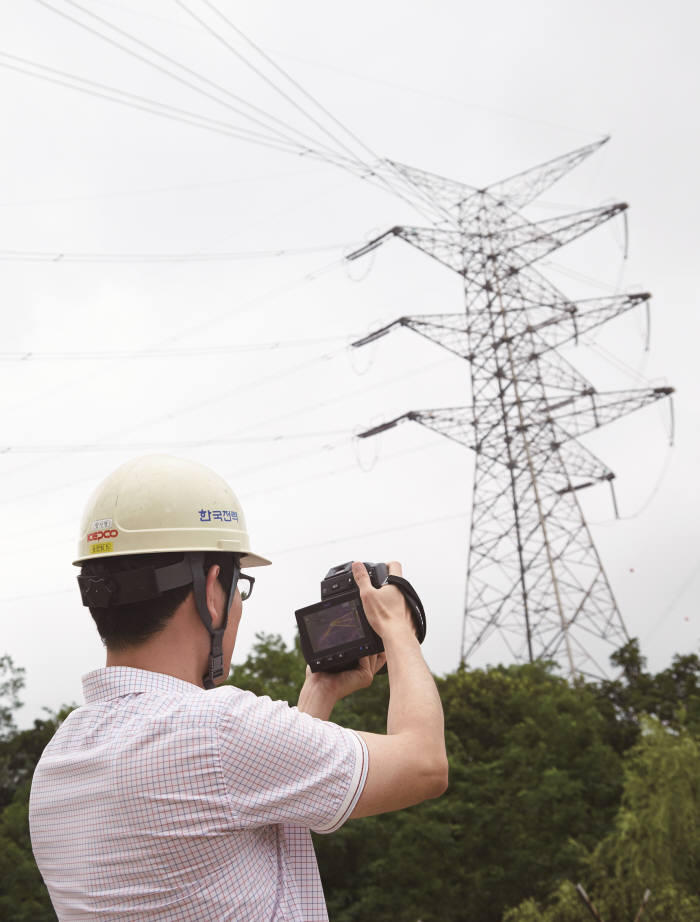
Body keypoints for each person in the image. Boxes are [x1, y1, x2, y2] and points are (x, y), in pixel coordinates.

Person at [29, 454, 448, 921]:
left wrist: (319, 695)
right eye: (238, 586)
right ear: (212, 588)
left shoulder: (57, 763)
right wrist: (398, 628)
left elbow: (236, 805)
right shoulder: (219, 730)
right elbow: (424, 765)